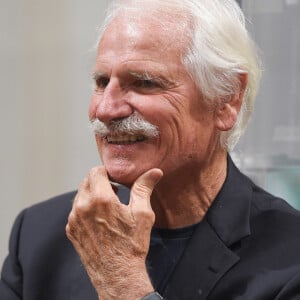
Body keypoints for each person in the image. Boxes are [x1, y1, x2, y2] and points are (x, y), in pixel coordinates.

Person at [1, 0, 300, 299]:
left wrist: (122, 283)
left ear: (226, 99)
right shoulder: (39, 237)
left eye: (144, 83)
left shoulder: (290, 261)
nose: (105, 110)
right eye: (102, 82)